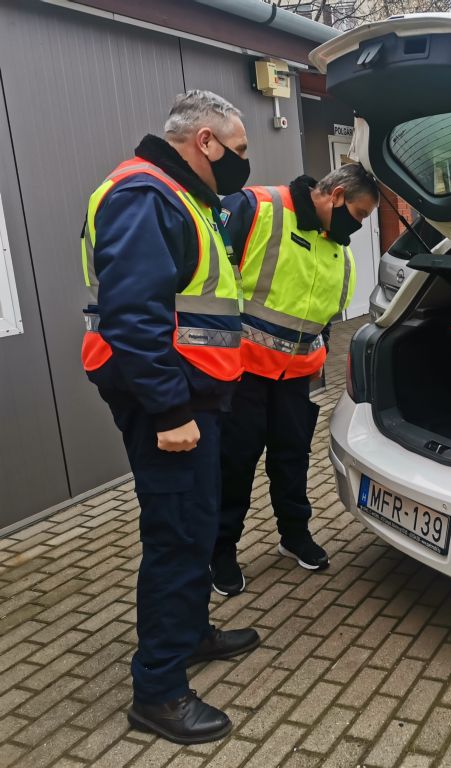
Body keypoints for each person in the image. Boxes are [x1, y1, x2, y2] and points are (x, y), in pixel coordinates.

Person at [79, 90, 260, 744]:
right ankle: (157, 691)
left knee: (197, 521)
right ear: (205, 142)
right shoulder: (145, 196)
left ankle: (189, 635)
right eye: (238, 149)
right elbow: (132, 318)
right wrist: (168, 409)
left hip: (192, 395)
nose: (244, 161)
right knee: (178, 537)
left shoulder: (183, 196)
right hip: (169, 401)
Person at [211, 165, 380, 596]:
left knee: (292, 460)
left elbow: (324, 319)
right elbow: (209, 282)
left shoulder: (335, 249)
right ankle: (221, 551)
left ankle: (294, 536)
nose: (358, 227)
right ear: (337, 195)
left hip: (295, 380)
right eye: (358, 215)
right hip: (243, 375)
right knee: (235, 466)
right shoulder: (257, 208)